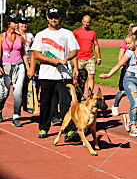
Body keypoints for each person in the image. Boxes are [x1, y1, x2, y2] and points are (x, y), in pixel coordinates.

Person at [29, 7, 79, 139]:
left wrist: (67, 59)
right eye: (51, 17)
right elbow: (36, 54)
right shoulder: (41, 35)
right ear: (47, 18)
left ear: (60, 18)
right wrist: (52, 61)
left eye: (56, 17)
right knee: (45, 103)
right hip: (46, 74)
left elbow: (74, 51)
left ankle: (67, 128)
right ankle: (44, 128)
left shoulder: (67, 33)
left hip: (64, 75)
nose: (53, 19)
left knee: (65, 102)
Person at [100, 33, 137, 137]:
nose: (127, 45)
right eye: (126, 43)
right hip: (129, 79)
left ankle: (128, 116)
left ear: (136, 42)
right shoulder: (128, 53)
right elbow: (118, 65)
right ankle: (133, 126)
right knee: (135, 102)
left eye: (129, 43)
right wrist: (108, 75)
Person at [0, 15, 31, 126]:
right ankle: (0, 110)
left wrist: (28, 68)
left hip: (19, 66)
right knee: (4, 93)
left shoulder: (20, 38)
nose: (17, 24)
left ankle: (16, 116)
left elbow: (23, 54)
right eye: (14, 22)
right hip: (5, 67)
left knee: (18, 91)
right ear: (8, 24)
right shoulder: (2, 37)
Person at [73, 15, 101, 97]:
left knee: (91, 76)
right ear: (82, 21)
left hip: (90, 58)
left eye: (88, 22)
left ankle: (89, 94)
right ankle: (77, 94)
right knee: (78, 77)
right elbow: (71, 44)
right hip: (79, 58)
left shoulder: (93, 33)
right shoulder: (76, 32)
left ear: (90, 22)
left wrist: (99, 57)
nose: (86, 24)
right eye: (85, 22)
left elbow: (96, 45)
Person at [16, 16, 35, 113]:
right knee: (19, 85)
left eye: (25, 23)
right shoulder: (16, 34)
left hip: (28, 61)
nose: (24, 25)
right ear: (18, 24)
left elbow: (34, 50)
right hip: (18, 61)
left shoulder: (30, 35)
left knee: (28, 83)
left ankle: (26, 103)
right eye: (22, 23)